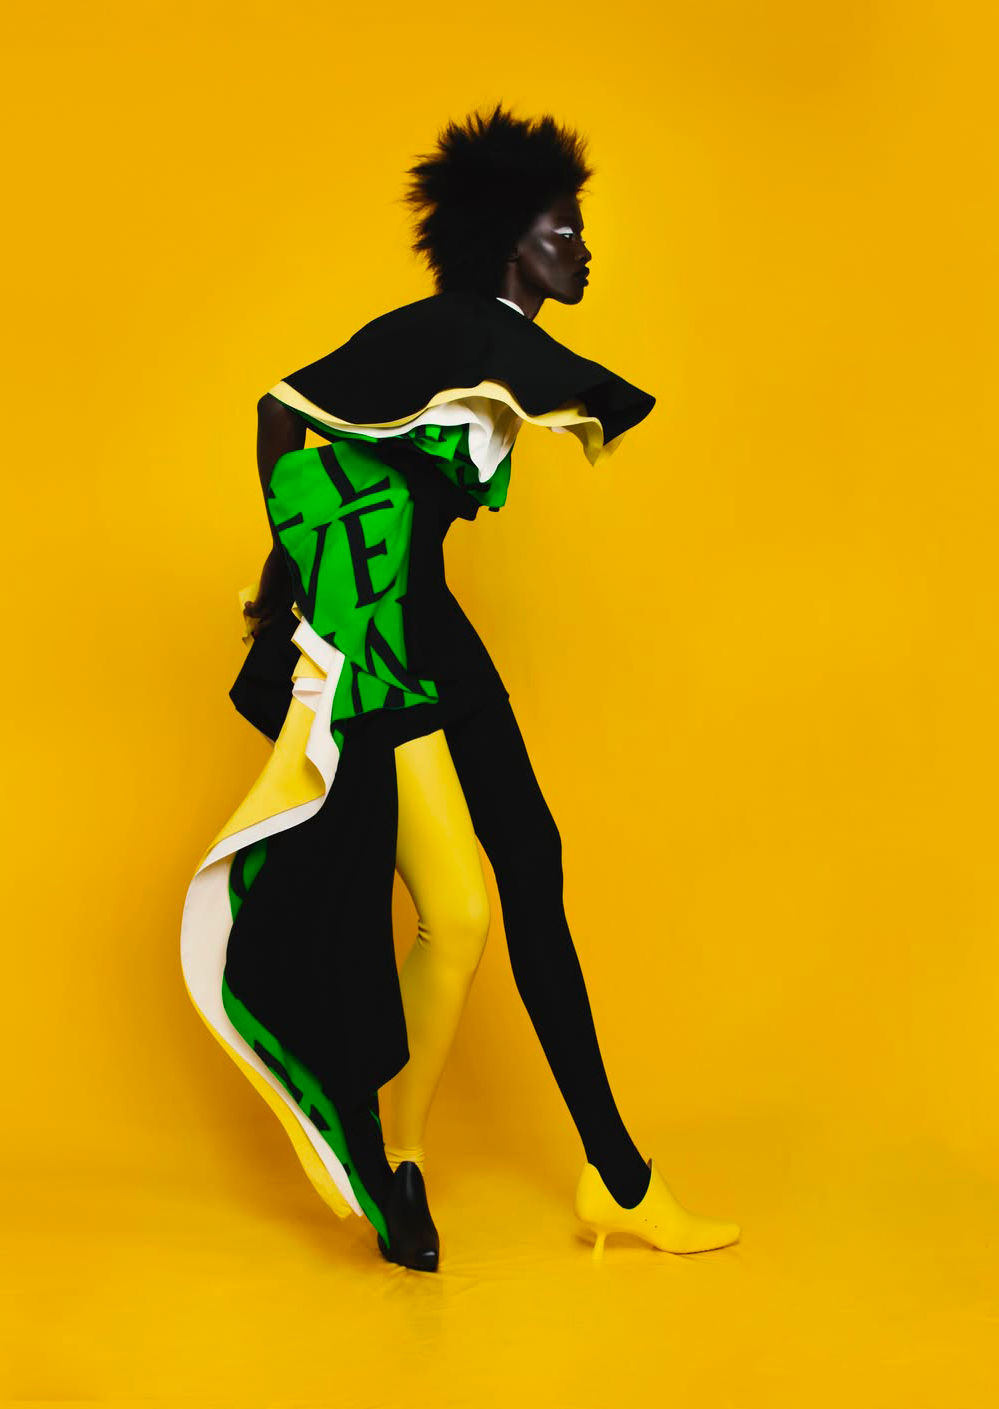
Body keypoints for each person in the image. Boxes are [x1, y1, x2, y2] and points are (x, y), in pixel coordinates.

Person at [180, 103, 741, 1270]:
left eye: (580, 230)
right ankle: (399, 1152)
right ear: (508, 241)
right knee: (465, 912)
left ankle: (617, 1176)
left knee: (531, 867)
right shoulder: (451, 330)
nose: (583, 250)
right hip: (386, 638)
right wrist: (314, 567)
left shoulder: (493, 348)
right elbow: (280, 411)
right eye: (562, 230)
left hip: (435, 626)